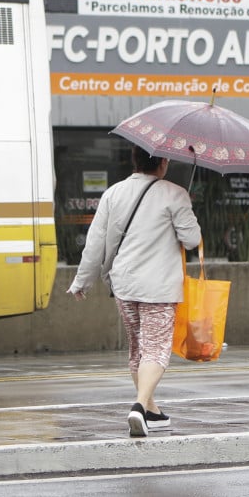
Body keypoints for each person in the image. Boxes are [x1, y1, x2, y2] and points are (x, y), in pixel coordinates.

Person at [67, 145, 201, 437]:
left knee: (138, 348)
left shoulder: (113, 193)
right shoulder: (175, 194)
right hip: (159, 287)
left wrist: (82, 281)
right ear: (163, 163)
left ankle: (151, 412)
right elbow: (191, 240)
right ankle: (139, 406)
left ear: (134, 161)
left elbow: (95, 242)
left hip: (124, 285)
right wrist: (187, 212)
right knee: (156, 349)